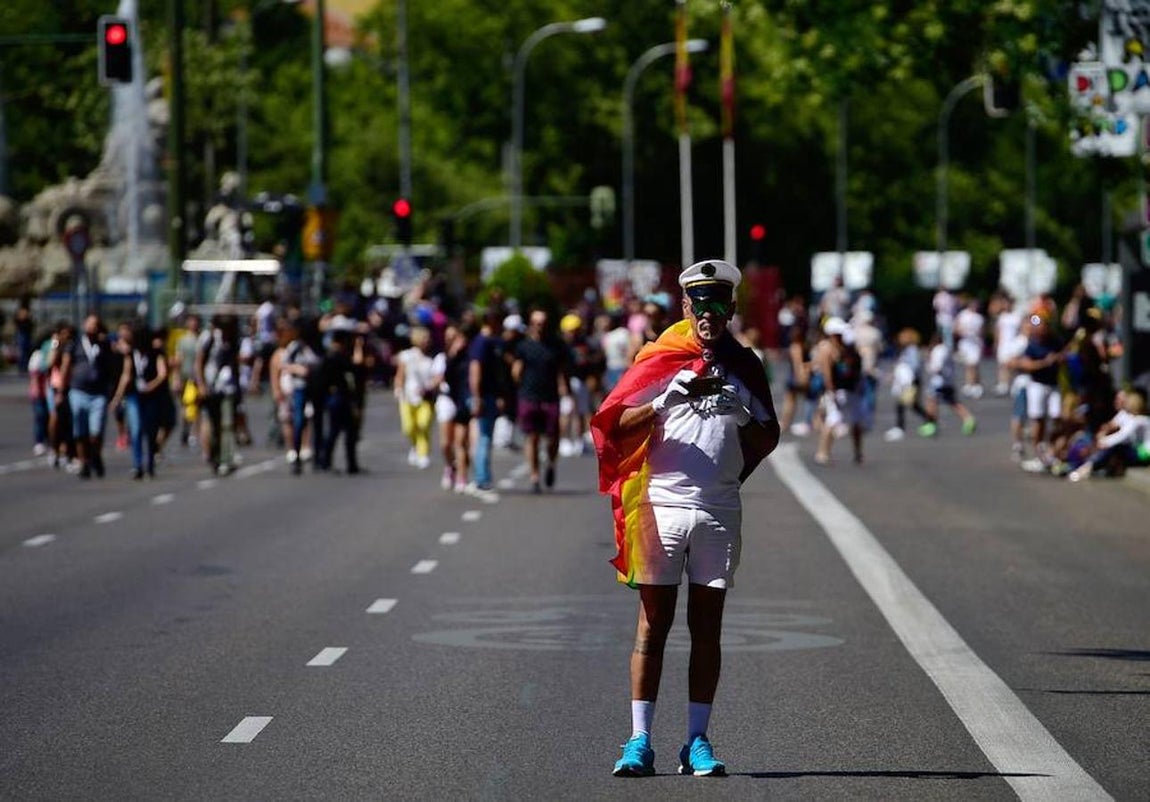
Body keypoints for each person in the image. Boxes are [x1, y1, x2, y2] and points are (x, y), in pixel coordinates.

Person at [591, 259, 779, 778]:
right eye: (700, 303)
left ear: (731, 309)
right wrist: (661, 403)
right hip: (661, 506)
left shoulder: (745, 364)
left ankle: (696, 741)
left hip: (717, 509)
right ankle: (639, 740)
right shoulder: (658, 358)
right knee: (653, 625)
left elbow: (769, 436)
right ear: (685, 306)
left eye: (718, 304)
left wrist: (747, 415)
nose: (708, 314)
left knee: (707, 628)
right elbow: (613, 424)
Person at [512, 309, 570, 493]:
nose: (540, 326)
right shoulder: (523, 346)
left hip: (550, 396)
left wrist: (563, 387)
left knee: (553, 436)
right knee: (532, 437)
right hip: (529, 396)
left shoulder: (556, 346)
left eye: (543, 322)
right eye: (536, 323)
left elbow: (561, 369)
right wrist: (519, 384)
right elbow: (516, 370)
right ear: (531, 324)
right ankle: (535, 475)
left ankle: (551, 463)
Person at [59, 314, 115, 479]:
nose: (92, 327)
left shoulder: (104, 344)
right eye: (90, 324)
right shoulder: (75, 344)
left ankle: (95, 455)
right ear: (84, 325)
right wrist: (61, 390)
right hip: (78, 391)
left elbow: (111, 367)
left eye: (96, 325)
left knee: (96, 431)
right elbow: (66, 365)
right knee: (80, 431)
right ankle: (84, 461)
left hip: (99, 393)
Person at [394, 326, 437, 469]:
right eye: (424, 338)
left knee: (423, 425)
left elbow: (436, 376)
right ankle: (414, 445)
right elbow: (400, 374)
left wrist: (431, 387)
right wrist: (398, 388)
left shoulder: (432, 358)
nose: (427, 341)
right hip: (408, 396)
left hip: (426, 397)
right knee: (409, 427)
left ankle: (423, 454)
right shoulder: (406, 355)